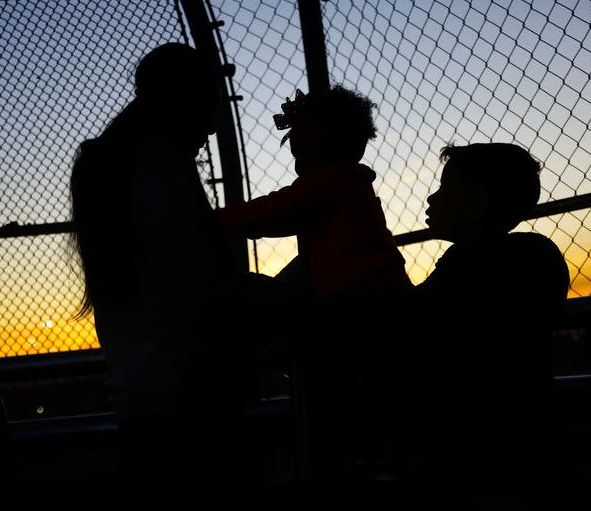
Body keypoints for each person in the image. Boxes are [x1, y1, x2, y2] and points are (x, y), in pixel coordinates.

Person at [69, 42, 268, 502]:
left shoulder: (115, 162)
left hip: (146, 388)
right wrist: (273, 299)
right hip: (190, 394)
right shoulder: (156, 168)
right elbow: (198, 293)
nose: (215, 123)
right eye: (211, 102)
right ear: (180, 97)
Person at [219, 85, 412, 486]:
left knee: (370, 395)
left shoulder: (332, 182)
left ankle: (379, 467)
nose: (294, 151)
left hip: (364, 307)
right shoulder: (340, 186)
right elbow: (280, 222)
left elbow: (275, 211)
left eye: (301, 142)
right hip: (364, 303)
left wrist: (212, 222)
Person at [407, 142, 570, 507]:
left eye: (444, 190)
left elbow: (410, 320)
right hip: (531, 431)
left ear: (478, 204)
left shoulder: (469, 264)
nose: (431, 200)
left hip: (474, 440)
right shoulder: (534, 255)